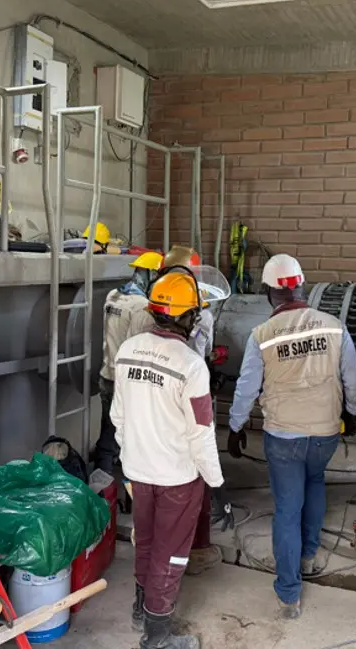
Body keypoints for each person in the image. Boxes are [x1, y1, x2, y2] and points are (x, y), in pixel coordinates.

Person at [227, 254, 356, 619]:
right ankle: (307, 554)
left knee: (288, 508)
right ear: (302, 286)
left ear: (269, 292)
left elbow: (246, 388)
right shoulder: (334, 327)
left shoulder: (261, 336)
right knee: (315, 481)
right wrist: (352, 413)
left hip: (283, 437)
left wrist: (235, 426)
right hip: (324, 433)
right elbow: (354, 380)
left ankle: (289, 595)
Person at [112, 267, 234, 649]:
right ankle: (157, 635)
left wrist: (132, 457)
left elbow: (118, 417)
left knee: (146, 541)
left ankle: (140, 608)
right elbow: (201, 435)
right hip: (177, 478)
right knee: (171, 554)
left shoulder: (127, 350)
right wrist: (217, 485)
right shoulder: (191, 365)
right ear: (189, 316)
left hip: (138, 471)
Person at [160, 246, 220, 576]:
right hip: (190, 392)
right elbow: (200, 354)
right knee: (195, 471)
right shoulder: (202, 315)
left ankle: (169, 550)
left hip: (162, 399)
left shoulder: (151, 311)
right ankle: (195, 548)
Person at [94, 251, 163, 475]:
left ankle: (101, 481)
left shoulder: (113, 295)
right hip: (126, 382)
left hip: (107, 374)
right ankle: (125, 484)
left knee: (108, 428)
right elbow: (138, 348)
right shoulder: (142, 306)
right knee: (131, 436)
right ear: (152, 276)